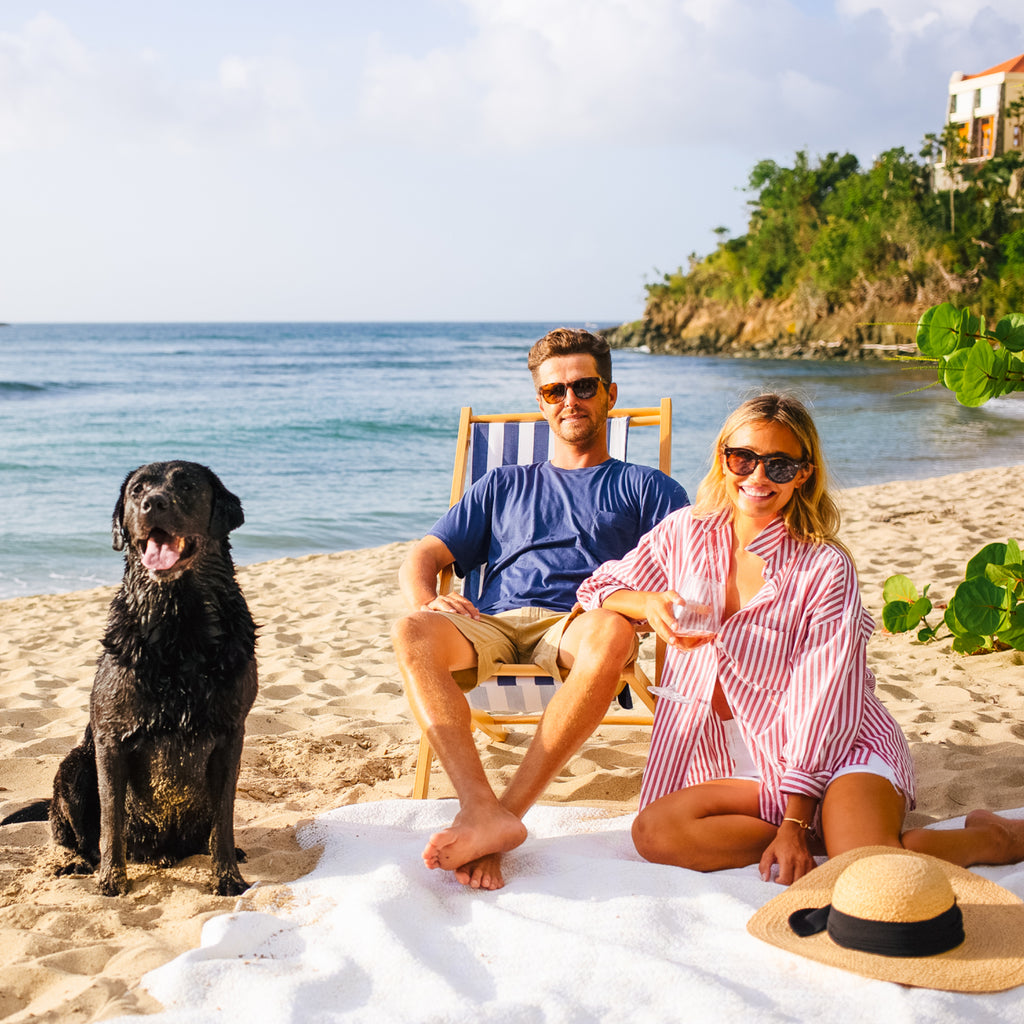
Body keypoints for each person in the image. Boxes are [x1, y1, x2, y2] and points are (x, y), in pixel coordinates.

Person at [577, 392, 1024, 885]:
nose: (758, 477)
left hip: (839, 749)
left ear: (804, 473)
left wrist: (794, 822)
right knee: (655, 833)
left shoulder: (825, 567)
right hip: (741, 760)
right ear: (723, 458)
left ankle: (993, 838)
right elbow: (599, 586)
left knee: (866, 866)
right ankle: (828, 836)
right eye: (743, 458)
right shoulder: (685, 532)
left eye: (780, 465)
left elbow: (825, 702)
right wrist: (646, 604)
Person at [392, 328, 688, 890]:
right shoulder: (502, 483)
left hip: (579, 622)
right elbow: (423, 556)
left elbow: (687, 571)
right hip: (490, 622)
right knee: (411, 628)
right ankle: (480, 808)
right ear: (542, 402)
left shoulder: (647, 487)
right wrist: (428, 600)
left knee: (611, 633)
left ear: (610, 394)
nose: (569, 400)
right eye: (555, 391)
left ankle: (505, 816)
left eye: (583, 387)